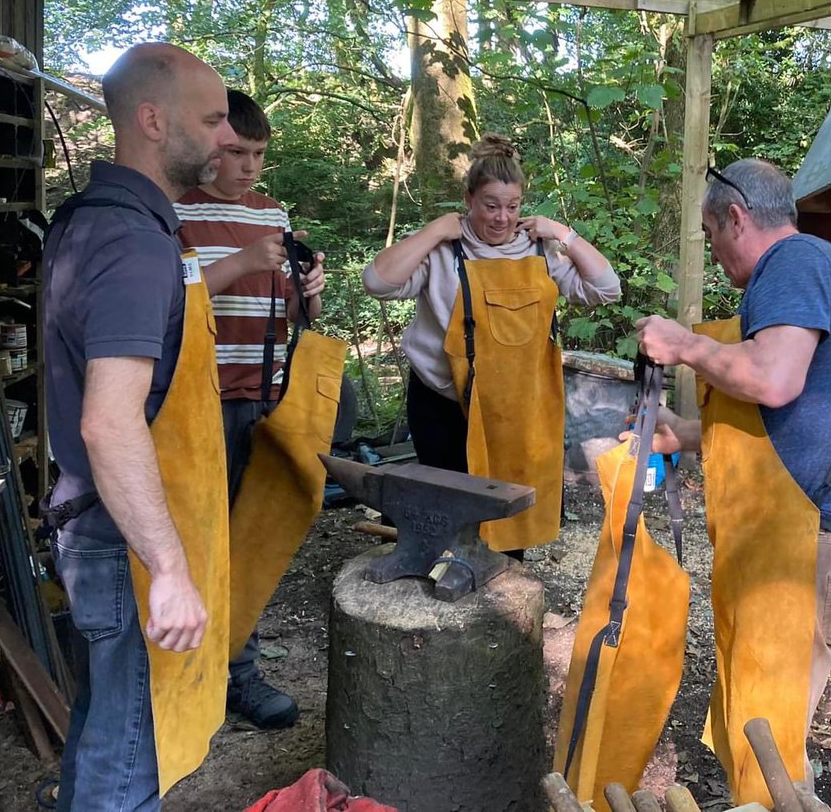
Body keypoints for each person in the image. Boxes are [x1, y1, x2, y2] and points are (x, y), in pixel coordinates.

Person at [633, 158, 831, 809]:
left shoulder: (794, 265)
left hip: (808, 543)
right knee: (766, 734)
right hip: (794, 537)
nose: (714, 252)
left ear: (736, 217)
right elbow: (785, 412)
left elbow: (773, 380)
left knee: (768, 744)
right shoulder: (808, 270)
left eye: (712, 235)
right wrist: (685, 434)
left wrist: (685, 345)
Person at [43, 43, 237, 810]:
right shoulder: (132, 242)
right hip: (118, 540)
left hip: (91, 525)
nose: (227, 138)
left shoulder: (98, 218)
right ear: (153, 121)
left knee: (106, 723)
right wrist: (171, 569)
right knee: (130, 763)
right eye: (214, 119)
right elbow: (108, 423)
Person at [362, 134, 621, 553]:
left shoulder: (540, 251)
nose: (502, 218)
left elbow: (607, 289)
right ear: (469, 199)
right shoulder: (442, 250)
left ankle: (504, 601)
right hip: (442, 401)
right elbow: (377, 283)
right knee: (446, 506)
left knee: (506, 513)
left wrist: (563, 234)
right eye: (490, 205)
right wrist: (433, 232)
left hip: (514, 408)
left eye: (512, 207)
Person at [174, 89, 325, 730]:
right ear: (209, 146)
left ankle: (238, 673)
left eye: (258, 154)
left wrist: (309, 295)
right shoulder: (170, 211)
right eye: (236, 152)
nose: (248, 168)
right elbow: (167, 300)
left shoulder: (273, 214)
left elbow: (288, 315)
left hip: (265, 397)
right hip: (198, 402)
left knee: (252, 538)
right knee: (195, 542)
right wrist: (241, 263)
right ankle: (187, 679)